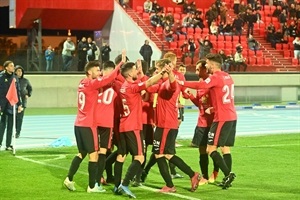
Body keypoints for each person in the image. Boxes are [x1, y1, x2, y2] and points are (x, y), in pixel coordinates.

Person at [178, 53, 237, 189]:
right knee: (222, 148)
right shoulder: (228, 76)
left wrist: (182, 82)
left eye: (207, 63)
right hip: (231, 116)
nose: (207, 66)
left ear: (213, 64)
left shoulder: (215, 77)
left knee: (211, 149)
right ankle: (226, 176)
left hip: (221, 118)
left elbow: (201, 86)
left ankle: (228, 174)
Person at [63, 59, 122, 193]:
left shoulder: (82, 83)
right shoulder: (91, 84)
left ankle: (69, 178)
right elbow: (109, 78)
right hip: (88, 124)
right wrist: (120, 64)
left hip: (78, 123)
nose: (99, 72)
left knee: (81, 152)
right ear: (89, 72)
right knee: (94, 155)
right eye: (96, 70)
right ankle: (92, 186)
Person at [113, 60, 170, 198]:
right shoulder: (132, 87)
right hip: (133, 126)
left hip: (124, 125)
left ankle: (116, 185)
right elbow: (149, 83)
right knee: (139, 157)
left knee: (121, 156)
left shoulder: (123, 87)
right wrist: (163, 73)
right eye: (134, 70)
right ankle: (125, 184)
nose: (136, 72)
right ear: (128, 74)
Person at [146, 59, 200, 193]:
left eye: (158, 71)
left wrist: (169, 74)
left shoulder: (167, 84)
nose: (157, 73)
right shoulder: (161, 84)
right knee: (168, 155)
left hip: (165, 125)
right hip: (168, 124)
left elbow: (173, 86)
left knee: (159, 155)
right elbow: (148, 86)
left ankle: (170, 185)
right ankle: (192, 174)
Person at [189, 60, 219, 185]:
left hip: (212, 122)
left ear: (204, 70)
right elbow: (200, 104)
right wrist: (191, 96)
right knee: (201, 150)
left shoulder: (212, 83)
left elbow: (218, 104)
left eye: (198, 69)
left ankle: (215, 173)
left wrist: (211, 109)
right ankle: (205, 176)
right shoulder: (200, 84)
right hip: (201, 122)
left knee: (212, 150)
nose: (196, 72)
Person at [0, 61, 23, 151]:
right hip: (3, 104)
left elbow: (17, 92)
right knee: (2, 125)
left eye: (13, 66)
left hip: (12, 104)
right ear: (6, 67)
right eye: (11, 66)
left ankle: (8, 144)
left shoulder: (15, 78)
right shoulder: (1, 77)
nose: (13, 67)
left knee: (11, 125)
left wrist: (20, 104)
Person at [14, 65, 32, 138]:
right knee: (14, 118)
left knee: (20, 118)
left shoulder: (25, 81)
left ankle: (18, 132)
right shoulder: (13, 80)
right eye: (18, 71)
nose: (20, 72)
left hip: (23, 102)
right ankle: (14, 130)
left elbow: (30, 89)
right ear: (15, 72)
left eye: (21, 71)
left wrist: (28, 94)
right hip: (14, 102)